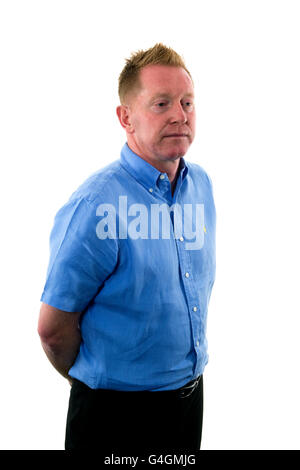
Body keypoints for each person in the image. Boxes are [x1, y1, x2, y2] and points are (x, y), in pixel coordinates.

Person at [38, 43, 216, 451]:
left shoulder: (200, 186)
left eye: (188, 102)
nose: (180, 114)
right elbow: (52, 330)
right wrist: (101, 382)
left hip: (189, 400)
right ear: (126, 118)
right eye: (161, 103)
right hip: (115, 415)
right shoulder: (97, 204)